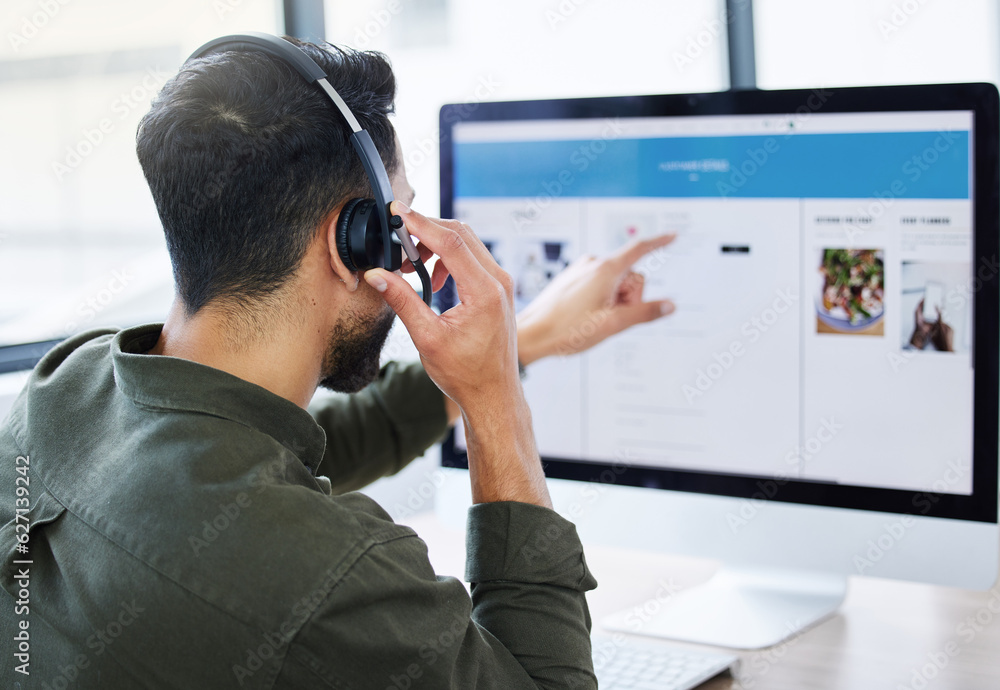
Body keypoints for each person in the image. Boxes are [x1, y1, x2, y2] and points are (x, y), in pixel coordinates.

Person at [0, 38, 675, 688]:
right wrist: (495, 396)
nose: (409, 255)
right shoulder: (328, 574)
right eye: (401, 228)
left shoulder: (65, 386)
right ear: (349, 241)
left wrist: (522, 339)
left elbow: (290, 462)